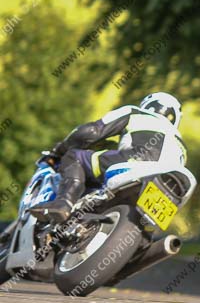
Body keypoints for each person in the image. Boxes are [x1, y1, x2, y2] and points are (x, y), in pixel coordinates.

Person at [28, 92, 186, 224]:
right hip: (169, 186)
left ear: (148, 105)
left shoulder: (135, 113)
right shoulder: (182, 145)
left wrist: (60, 149)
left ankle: (64, 203)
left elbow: (91, 132)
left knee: (75, 156)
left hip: (135, 163)